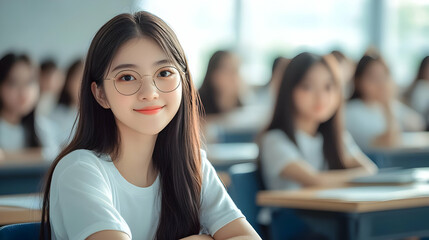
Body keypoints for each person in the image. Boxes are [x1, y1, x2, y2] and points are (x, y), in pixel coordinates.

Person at [40, 11, 260, 240]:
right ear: (100, 94)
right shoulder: (79, 171)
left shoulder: (193, 165)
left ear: (183, 82)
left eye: (164, 73)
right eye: (127, 77)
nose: (150, 93)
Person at [260, 52, 377, 192]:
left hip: (332, 213)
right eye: (307, 86)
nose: (320, 97)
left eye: (328, 87)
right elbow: (315, 181)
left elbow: (370, 170)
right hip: (289, 214)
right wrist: (356, 177)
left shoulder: (337, 137)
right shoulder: (275, 140)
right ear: (289, 90)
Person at [345, 53, 425, 149]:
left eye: (383, 77)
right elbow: (388, 143)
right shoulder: (351, 111)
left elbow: (419, 124)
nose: (380, 84)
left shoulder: (392, 105)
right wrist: (387, 105)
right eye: (373, 78)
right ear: (358, 81)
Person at [0, 53, 57, 163]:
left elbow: (53, 156)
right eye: (13, 83)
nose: (23, 92)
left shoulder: (43, 127)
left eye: (29, 82)